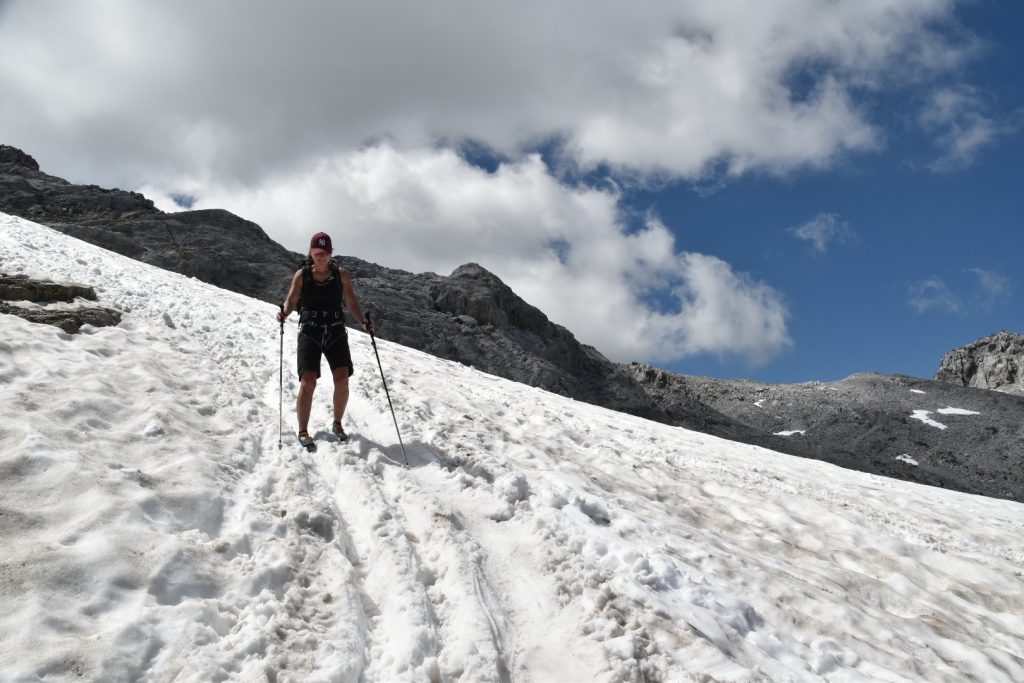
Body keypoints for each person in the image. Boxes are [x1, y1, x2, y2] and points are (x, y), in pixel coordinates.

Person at [276, 231, 374, 450]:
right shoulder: (302, 275)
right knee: (308, 381)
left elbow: (351, 301)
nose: (322, 257)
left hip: (336, 329)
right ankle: (303, 430)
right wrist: (284, 313)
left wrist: (363, 323)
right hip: (310, 330)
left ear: (331, 253)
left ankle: (337, 424)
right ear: (311, 253)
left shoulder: (341, 274)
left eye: (325, 252)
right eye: (318, 252)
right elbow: (291, 300)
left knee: (342, 378)